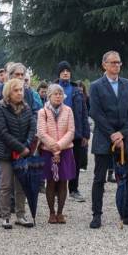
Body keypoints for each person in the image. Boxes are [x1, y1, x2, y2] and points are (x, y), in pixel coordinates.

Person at [88, 51, 128, 228]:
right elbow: (95, 112)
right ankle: (97, 214)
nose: (116, 66)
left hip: (125, 137)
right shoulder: (96, 86)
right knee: (99, 178)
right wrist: (112, 133)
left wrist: (123, 133)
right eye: (112, 63)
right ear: (104, 65)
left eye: (118, 62)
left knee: (126, 176)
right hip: (104, 137)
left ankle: (127, 213)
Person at [0, 78, 36, 229]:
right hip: (6, 153)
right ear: (8, 92)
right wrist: (20, 148)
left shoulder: (26, 107)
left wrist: (27, 145)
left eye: (21, 90)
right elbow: (3, 133)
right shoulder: (0, 108)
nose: (19, 93)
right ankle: (5, 216)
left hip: (23, 153)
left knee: (21, 185)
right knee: (5, 185)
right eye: (15, 90)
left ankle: (21, 215)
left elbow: (32, 127)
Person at [37, 84, 76, 224]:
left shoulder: (68, 110)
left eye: (60, 94)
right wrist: (53, 146)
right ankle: (51, 212)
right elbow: (41, 132)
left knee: (63, 181)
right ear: (49, 96)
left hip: (65, 150)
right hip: (48, 151)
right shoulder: (43, 112)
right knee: (51, 182)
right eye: (55, 94)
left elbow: (71, 131)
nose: (58, 96)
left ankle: (60, 212)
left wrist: (59, 146)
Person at [53, 61, 90, 203]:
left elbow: (84, 113)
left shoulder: (77, 91)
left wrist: (86, 134)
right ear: (59, 73)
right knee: (57, 160)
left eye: (68, 70)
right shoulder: (53, 88)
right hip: (57, 132)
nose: (65, 73)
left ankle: (74, 190)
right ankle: (56, 189)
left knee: (76, 161)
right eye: (62, 71)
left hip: (76, 132)